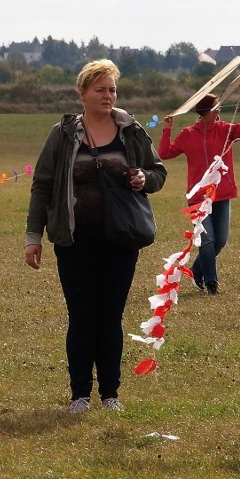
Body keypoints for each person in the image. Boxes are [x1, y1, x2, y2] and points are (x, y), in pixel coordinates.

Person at [25, 59, 167, 413]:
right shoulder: (62, 134)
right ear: (83, 93)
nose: (108, 95)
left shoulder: (131, 132)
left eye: (112, 89)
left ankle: (110, 393)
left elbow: (158, 172)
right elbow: (42, 185)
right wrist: (33, 236)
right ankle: (79, 395)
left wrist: (143, 180)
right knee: (82, 316)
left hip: (120, 239)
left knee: (110, 316)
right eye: (100, 89)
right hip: (73, 240)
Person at [158, 94, 240, 294]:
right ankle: (211, 282)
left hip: (222, 195)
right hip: (198, 198)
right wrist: (167, 129)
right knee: (207, 240)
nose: (219, 111)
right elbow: (165, 153)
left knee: (220, 240)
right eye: (216, 107)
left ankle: (196, 271)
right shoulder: (188, 134)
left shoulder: (224, 129)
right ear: (206, 111)